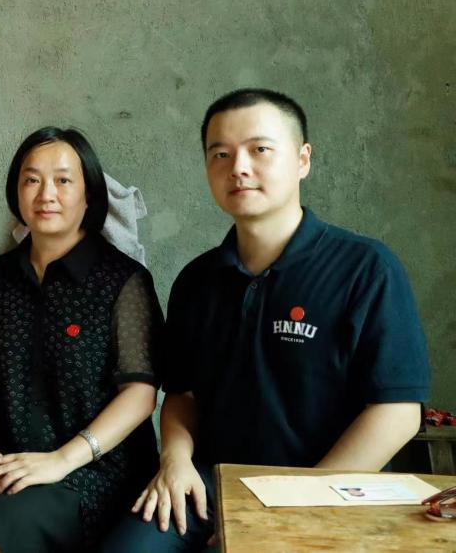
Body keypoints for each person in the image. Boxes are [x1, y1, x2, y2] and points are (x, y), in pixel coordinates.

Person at [101, 89, 431, 552]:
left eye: (259, 149)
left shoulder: (366, 267)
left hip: (332, 490)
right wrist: (174, 459)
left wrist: (296, 501)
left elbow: (397, 412)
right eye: (220, 154)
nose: (238, 167)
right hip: (211, 486)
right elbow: (182, 394)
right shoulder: (196, 280)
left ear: (302, 160)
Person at [0, 127, 163, 552]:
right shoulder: (2, 275)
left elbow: (141, 395)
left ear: (89, 196)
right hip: (11, 458)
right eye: (32, 180)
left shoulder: (123, 280)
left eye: (63, 180)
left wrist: (61, 460)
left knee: (7, 525)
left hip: (95, 467)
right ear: (16, 192)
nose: (46, 195)